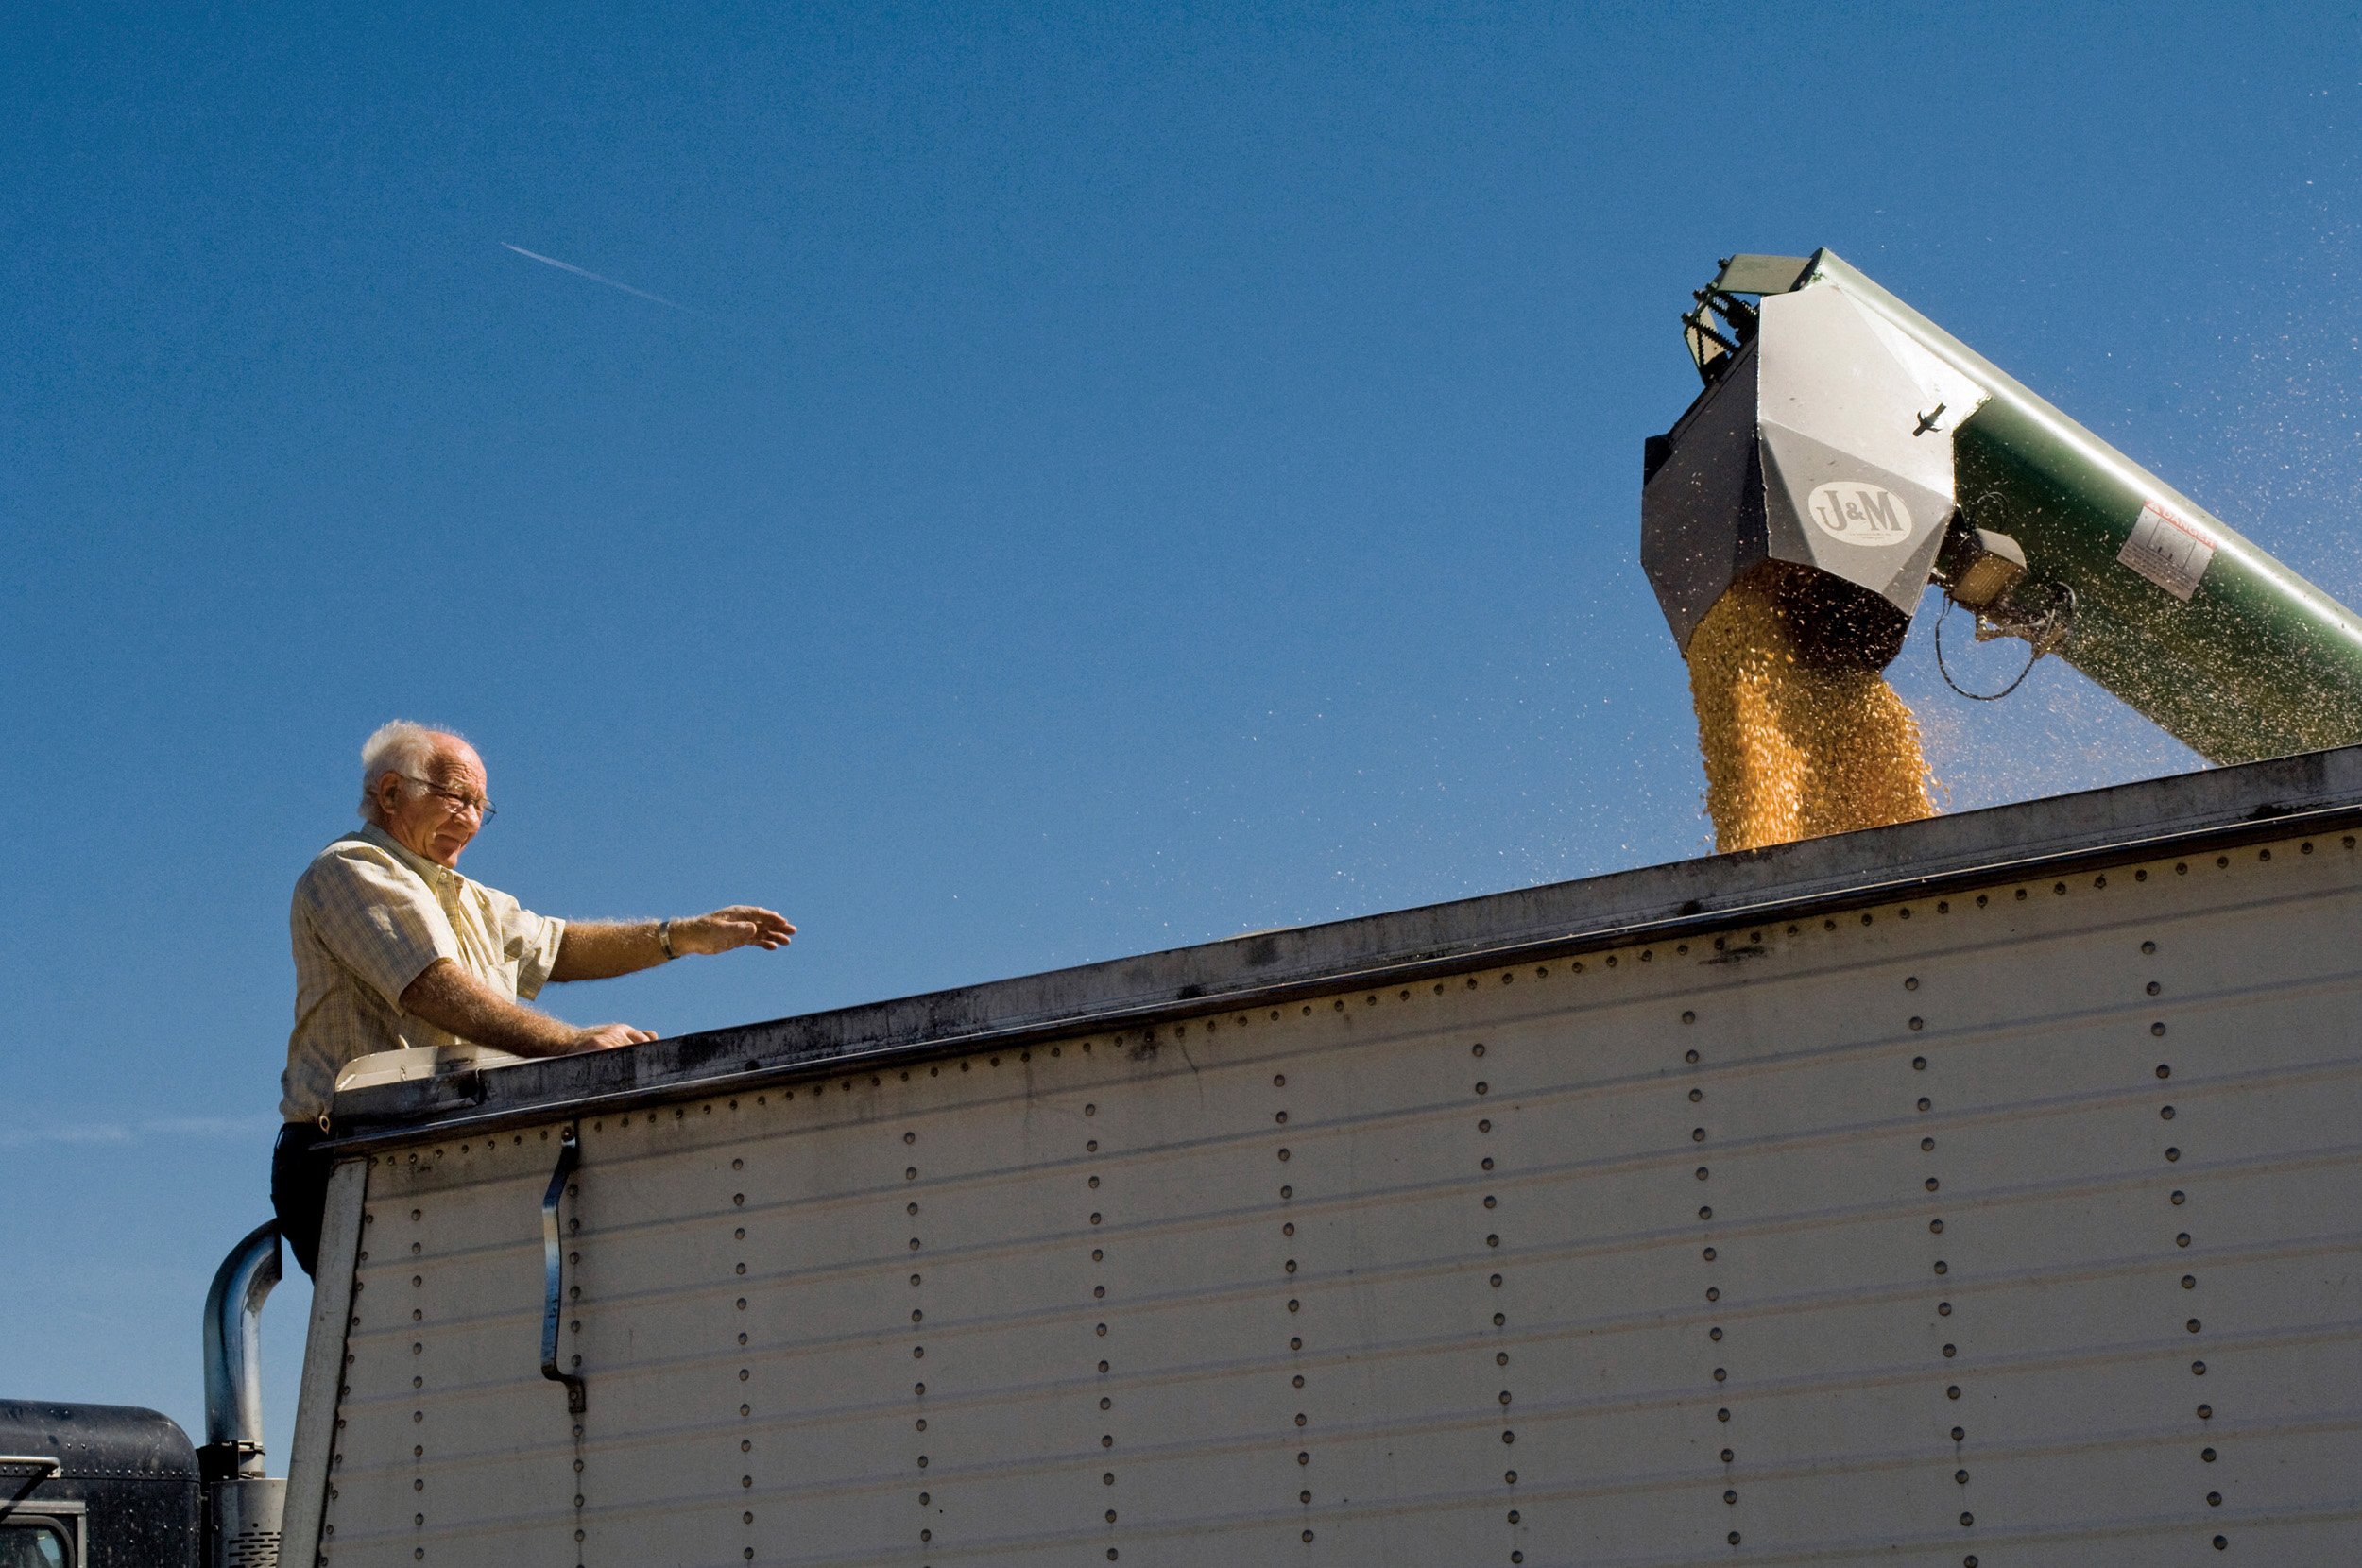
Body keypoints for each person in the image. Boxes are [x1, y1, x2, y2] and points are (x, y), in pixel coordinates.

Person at [272, 720, 795, 1274]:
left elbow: (562, 945)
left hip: (432, 1142)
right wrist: (570, 1043)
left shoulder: (473, 899)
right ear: (393, 793)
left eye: (481, 806)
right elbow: (432, 987)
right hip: (348, 1154)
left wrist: (680, 937)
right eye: (457, 798)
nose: (471, 820)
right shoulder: (351, 869)